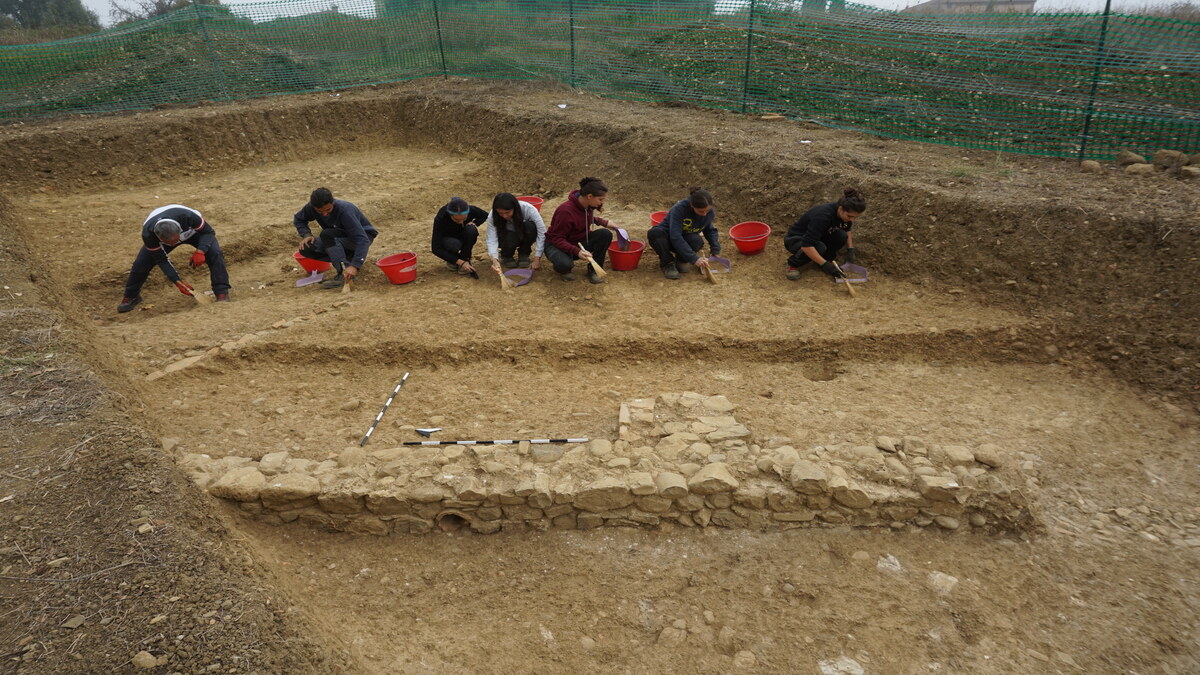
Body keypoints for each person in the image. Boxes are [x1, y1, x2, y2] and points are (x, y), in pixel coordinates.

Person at [118, 204, 230, 313]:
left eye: (175, 241)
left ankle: (221, 292)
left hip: (193, 233)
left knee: (215, 253)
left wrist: (201, 251)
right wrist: (177, 281)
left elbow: (209, 232)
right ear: (159, 237)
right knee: (141, 264)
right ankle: (131, 296)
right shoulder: (148, 234)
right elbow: (161, 260)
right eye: (169, 243)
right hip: (166, 236)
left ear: (179, 231)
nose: (173, 245)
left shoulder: (188, 217)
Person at [293, 187, 378, 289]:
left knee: (327, 235)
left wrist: (355, 265)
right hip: (339, 236)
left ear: (332, 202)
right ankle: (346, 260)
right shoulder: (311, 207)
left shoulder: (345, 211)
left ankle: (343, 273)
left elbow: (362, 239)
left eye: (328, 210)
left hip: (363, 236)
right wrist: (306, 234)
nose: (324, 214)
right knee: (307, 248)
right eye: (320, 211)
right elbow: (299, 219)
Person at [784, 188, 867, 281]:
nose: (852, 220)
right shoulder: (823, 217)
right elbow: (806, 245)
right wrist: (825, 265)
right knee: (820, 247)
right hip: (796, 239)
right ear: (840, 209)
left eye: (856, 217)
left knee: (841, 236)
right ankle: (793, 265)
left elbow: (847, 230)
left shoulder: (845, 215)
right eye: (850, 216)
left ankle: (824, 259)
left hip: (819, 237)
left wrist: (850, 249)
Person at [545, 177, 617, 284]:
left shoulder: (587, 205)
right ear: (589, 196)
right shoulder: (565, 211)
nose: (602, 202)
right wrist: (577, 251)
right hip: (557, 245)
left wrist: (603, 222)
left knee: (605, 234)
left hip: (577, 242)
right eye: (601, 199)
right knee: (564, 264)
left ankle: (593, 270)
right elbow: (557, 238)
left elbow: (582, 218)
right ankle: (563, 268)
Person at [648, 187, 721, 280]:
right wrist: (694, 258)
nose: (704, 214)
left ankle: (681, 259)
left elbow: (710, 230)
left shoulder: (708, 212)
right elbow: (675, 237)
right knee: (655, 233)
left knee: (697, 241)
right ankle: (668, 263)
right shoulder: (679, 209)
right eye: (701, 211)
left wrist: (715, 249)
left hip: (685, 238)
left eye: (707, 210)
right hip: (668, 238)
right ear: (692, 205)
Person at [486, 193, 545, 275]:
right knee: (510, 236)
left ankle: (524, 254)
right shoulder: (492, 216)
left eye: (507, 212)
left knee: (530, 226)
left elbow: (542, 232)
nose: (504, 216)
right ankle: (507, 255)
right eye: (500, 213)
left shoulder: (528, 209)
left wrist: (537, 259)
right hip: (506, 238)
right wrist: (494, 260)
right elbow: (491, 238)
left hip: (523, 235)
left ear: (515, 208)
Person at [431, 196, 486, 276]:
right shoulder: (441, 218)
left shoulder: (471, 209)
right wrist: (459, 262)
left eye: (463, 219)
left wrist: (475, 223)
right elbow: (435, 248)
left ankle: (465, 257)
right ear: (450, 215)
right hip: (449, 239)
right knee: (454, 244)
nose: (460, 222)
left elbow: (484, 215)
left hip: (463, 235)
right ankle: (453, 259)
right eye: (456, 220)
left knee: (471, 230)